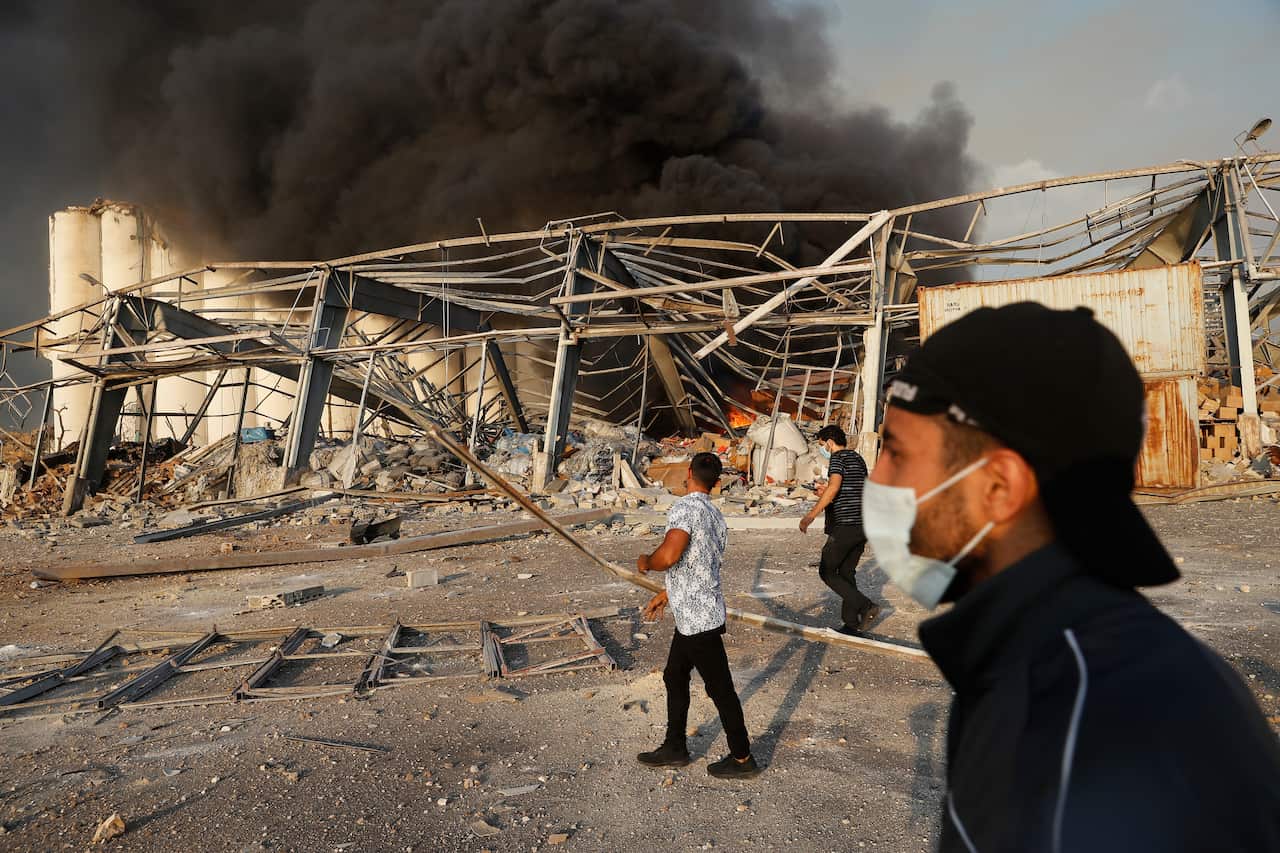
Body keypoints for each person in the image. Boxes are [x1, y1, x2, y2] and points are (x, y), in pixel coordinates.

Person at [864, 302, 1280, 852]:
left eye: (895, 452)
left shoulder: (1087, 733)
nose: (877, 479)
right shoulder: (1047, 663)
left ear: (999, 486)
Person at [634, 451, 761, 779]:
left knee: (720, 688)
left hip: (696, 619)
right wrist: (667, 593)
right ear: (717, 483)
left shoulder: (685, 508)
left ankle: (743, 758)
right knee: (674, 676)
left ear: (688, 473)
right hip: (699, 610)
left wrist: (647, 562)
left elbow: (672, 553)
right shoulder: (715, 515)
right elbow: (699, 565)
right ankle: (674, 746)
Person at [799, 425, 880, 633]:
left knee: (827, 571)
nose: (822, 449)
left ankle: (866, 606)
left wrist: (810, 515)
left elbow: (835, 487)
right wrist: (826, 492)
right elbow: (853, 488)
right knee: (846, 573)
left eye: (821, 445)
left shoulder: (837, 459)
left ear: (829, 442)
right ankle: (851, 624)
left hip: (846, 525)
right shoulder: (858, 458)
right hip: (863, 525)